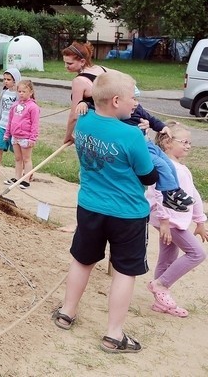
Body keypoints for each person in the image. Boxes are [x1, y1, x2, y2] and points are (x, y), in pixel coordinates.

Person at [52, 71, 157, 354]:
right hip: (127, 213)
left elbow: (85, 101)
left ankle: (66, 312)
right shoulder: (131, 135)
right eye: (132, 96)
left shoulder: (84, 121)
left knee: (82, 260)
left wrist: (85, 100)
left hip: (90, 206)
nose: (135, 102)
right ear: (115, 101)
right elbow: (148, 176)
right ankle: (113, 334)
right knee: (124, 271)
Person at [76, 87, 194, 211]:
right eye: (133, 99)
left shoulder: (137, 109)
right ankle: (171, 191)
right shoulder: (117, 114)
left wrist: (162, 127)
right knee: (161, 165)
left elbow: (151, 119)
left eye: (136, 98)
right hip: (139, 147)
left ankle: (173, 193)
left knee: (168, 163)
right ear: (117, 101)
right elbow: (98, 107)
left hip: (147, 143)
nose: (136, 102)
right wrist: (83, 103)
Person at [145, 122, 207, 318]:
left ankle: (160, 303)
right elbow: (156, 193)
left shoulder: (181, 168)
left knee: (168, 256)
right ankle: (160, 285)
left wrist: (200, 221)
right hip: (169, 220)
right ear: (167, 142)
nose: (188, 145)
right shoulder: (164, 166)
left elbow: (194, 195)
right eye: (184, 141)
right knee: (196, 253)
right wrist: (164, 221)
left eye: (190, 142)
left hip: (174, 219)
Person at [61, 41, 109, 145]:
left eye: (69, 63)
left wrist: (68, 136)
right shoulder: (101, 69)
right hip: (110, 123)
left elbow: (74, 115)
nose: (66, 66)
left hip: (95, 129)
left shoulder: (79, 81)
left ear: (82, 61)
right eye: (65, 62)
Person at [4, 79, 39, 188]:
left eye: (24, 91)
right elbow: (10, 120)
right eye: (19, 91)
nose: (21, 94)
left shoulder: (33, 107)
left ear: (30, 92)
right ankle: (17, 178)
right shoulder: (15, 105)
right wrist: (7, 133)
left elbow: (35, 124)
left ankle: (26, 180)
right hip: (15, 136)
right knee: (18, 158)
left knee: (26, 159)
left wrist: (32, 138)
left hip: (26, 137)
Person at [0, 68, 21, 180]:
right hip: (3, 125)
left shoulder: (19, 94)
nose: (6, 81)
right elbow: (0, 109)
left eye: (9, 79)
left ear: (15, 80)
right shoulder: (4, 92)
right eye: (4, 79)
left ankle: (24, 172)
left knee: (17, 151)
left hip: (15, 127)